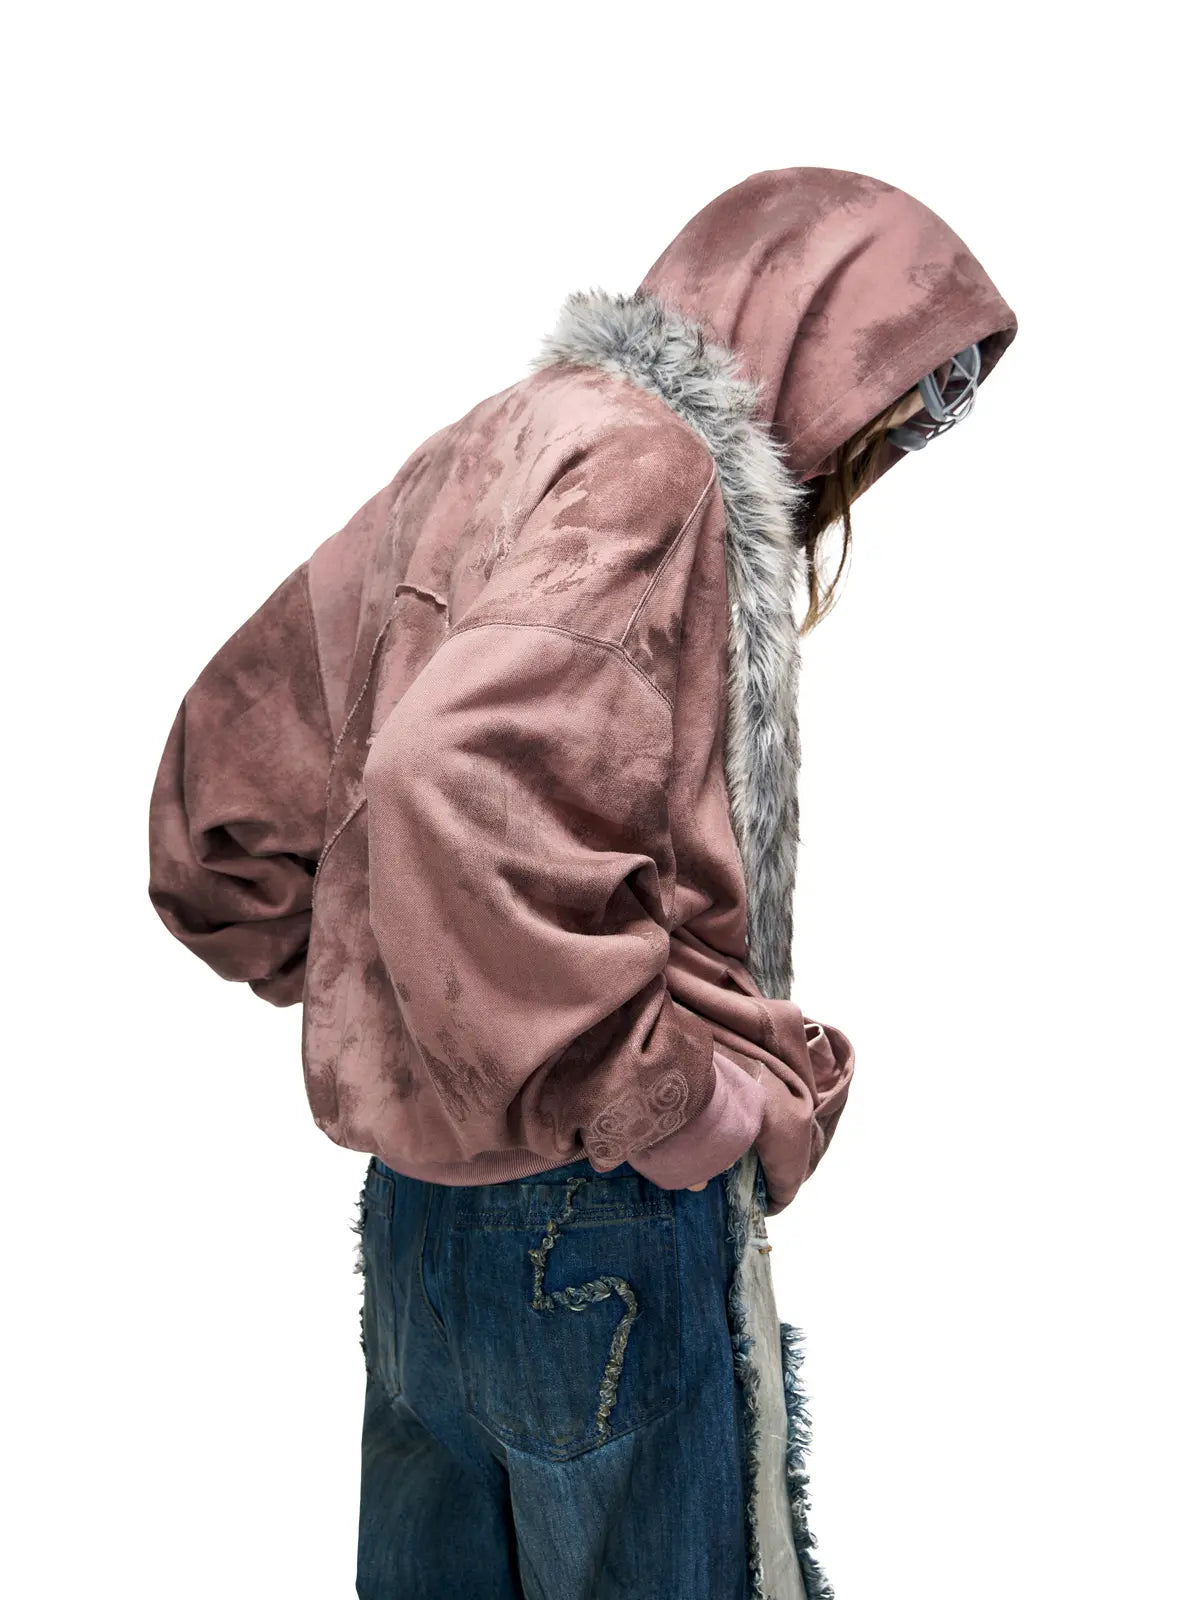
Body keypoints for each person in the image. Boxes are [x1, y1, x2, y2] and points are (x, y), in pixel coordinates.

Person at [147, 166, 1017, 1600]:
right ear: (803, 322)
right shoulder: (654, 467)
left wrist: (406, 987)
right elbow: (451, 777)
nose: (903, 438)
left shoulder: (491, 444)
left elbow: (225, 794)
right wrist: (661, 1091)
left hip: (419, 1217)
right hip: (595, 1213)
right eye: (909, 392)